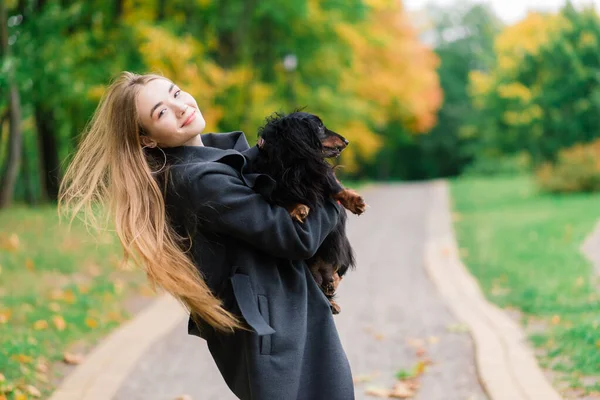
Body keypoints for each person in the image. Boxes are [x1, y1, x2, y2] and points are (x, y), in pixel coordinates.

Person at [58, 72, 355, 400]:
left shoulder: (222, 152)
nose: (180, 106)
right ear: (147, 139)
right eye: (161, 112)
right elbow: (295, 237)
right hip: (276, 327)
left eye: (176, 93)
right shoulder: (197, 181)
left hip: (287, 312)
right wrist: (333, 195)